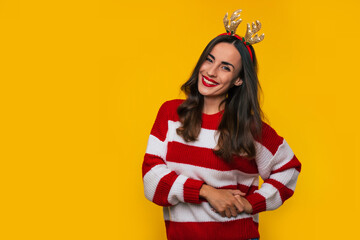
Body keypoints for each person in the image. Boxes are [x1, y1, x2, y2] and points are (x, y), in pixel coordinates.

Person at [142, 9, 301, 240]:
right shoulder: (170, 114)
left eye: (225, 67)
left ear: (238, 80)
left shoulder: (249, 128)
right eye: (210, 60)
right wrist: (207, 192)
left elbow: (288, 169)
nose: (211, 72)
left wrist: (250, 203)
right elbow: (151, 181)